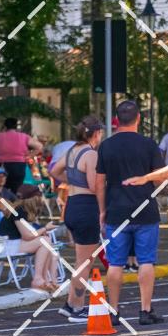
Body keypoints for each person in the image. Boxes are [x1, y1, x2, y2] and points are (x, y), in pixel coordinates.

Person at [97, 101, 168, 325]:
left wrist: (102, 211)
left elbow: (99, 183)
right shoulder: (148, 144)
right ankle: (145, 310)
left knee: (115, 263)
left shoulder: (106, 146)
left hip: (116, 211)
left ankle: (114, 311)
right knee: (146, 261)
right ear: (139, 118)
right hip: (145, 209)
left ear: (117, 119)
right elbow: (160, 177)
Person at [48, 115, 105, 322]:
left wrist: (72, 181)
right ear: (96, 133)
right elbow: (93, 185)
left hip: (71, 205)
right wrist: (103, 207)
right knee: (84, 263)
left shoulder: (72, 150)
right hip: (85, 207)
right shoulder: (91, 154)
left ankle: (70, 303)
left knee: (81, 260)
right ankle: (78, 307)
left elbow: (54, 171)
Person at [0, 185, 61, 292]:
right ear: (33, 199)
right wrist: (45, 229)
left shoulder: (23, 209)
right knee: (45, 241)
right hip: (2, 245)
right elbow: (27, 236)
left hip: (11, 242)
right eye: (39, 196)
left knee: (49, 246)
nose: (41, 199)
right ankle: (38, 279)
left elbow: (29, 233)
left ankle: (51, 281)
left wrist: (42, 232)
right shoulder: (19, 210)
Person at [0, 118, 43, 193]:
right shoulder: (24, 137)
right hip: (19, 165)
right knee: (16, 188)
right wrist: (29, 156)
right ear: (16, 126)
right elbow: (39, 146)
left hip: (2, 165)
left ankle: (3, 200)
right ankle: (14, 199)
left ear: (5, 126)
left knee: (1, 188)